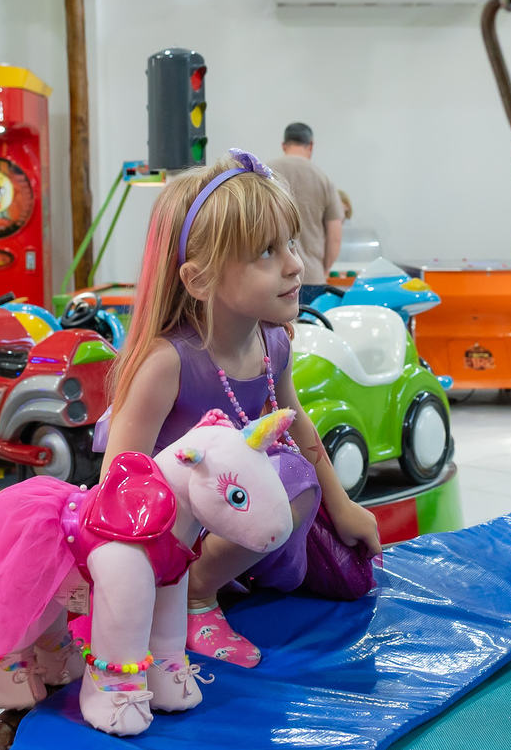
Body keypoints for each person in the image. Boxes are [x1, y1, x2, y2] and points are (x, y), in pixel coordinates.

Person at [100, 149, 381, 668]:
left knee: (346, 575)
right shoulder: (169, 362)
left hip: (240, 513)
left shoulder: (272, 343)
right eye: (266, 253)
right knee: (291, 479)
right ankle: (194, 595)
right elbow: (120, 479)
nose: (296, 264)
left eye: (291, 243)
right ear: (200, 280)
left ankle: (225, 576)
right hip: (175, 529)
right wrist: (137, 575)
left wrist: (343, 508)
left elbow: (302, 433)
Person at [267, 123, 346, 304]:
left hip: (271, 278)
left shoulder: (265, 173)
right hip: (312, 279)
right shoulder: (323, 179)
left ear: (284, 145)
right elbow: (335, 238)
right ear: (310, 146)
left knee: (272, 332)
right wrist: (322, 269)